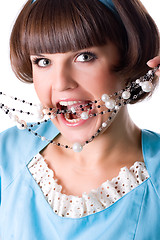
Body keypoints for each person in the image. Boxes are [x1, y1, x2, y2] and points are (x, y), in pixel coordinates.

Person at [0, 0, 160, 239]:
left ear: (130, 58)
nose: (61, 82)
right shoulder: (6, 155)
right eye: (43, 61)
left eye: (84, 56)